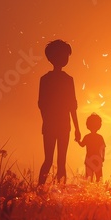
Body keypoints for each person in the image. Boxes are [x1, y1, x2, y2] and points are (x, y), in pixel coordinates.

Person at [38, 39, 81, 186]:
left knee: (52, 160)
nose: (65, 59)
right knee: (56, 160)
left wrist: (76, 128)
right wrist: (77, 128)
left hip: (58, 125)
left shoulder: (46, 79)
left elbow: (71, 105)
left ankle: (47, 190)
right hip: (61, 125)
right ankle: (47, 189)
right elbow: (72, 106)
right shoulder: (66, 80)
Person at [77, 113, 105, 182]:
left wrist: (78, 140)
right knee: (99, 178)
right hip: (97, 159)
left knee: (89, 178)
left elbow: (82, 145)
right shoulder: (99, 137)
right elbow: (103, 148)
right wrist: (102, 157)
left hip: (89, 160)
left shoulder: (87, 137)